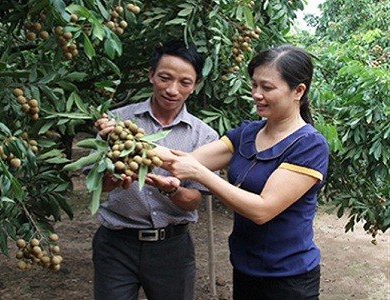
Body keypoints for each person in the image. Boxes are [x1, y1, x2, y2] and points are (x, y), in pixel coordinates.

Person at [150, 44, 329, 300]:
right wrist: (126, 141)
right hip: (246, 268)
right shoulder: (247, 133)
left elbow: (262, 210)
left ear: (298, 91)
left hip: (289, 279)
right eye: (254, 85)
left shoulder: (309, 145)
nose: (256, 94)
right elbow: (185, 160)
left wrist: (200, 174)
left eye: (267, 88)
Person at [92, 40, 218, 300]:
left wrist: (170, 191)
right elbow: (96, 186)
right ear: (151, 75)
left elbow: (194, 201)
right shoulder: (117, 123)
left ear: (194, 86)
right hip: (117, 244)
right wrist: (113, 179)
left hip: (173, 248)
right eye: (165, 78)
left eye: (184, 82)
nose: (173, 90)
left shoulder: (204, 137)